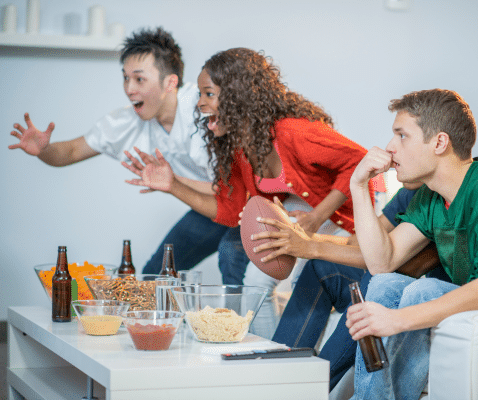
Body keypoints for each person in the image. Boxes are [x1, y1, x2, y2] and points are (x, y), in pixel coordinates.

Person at [123, 47, 375, 337]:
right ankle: (264, 353)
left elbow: (359, 161)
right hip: (297, 215)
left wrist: (317, 218)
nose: (200, 104)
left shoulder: (294, 132)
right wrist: (173, 185)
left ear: (236, 97)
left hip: (338, 214)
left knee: (299, 281)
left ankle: (287, 352)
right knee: (256, 282)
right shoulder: (239, 149)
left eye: (208, 94)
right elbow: (230, 212)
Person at [345, 88, 478, 400]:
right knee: (384, 284)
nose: (389, 147)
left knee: (424, 289)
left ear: (439, 142)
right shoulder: (432, 196)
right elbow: (381, 262)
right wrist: (358, 186)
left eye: (402, 136)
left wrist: (396, 320)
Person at [8, 27, 248, 278]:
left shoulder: (206, 107)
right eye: (125, 78)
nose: (129, 88)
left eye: (139, 79)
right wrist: (43, 150)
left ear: (170, 82)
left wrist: (174, 183)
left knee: (231, 256)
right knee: (153, 277)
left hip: (249, 202)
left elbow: (238, 188)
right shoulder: (126, 122)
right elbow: (69, 152)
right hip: (207, 207)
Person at [251, 185, 444, 391]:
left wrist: (311, 247)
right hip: (388, 274)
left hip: (412, 288)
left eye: (403, 149)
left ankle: (306, 390)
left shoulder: (446, 195)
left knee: (376, 279)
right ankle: (276, 378)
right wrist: (300, 237)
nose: (391, 152)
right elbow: (357, 242)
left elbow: (395, 266)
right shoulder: (413, 191)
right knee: (320, 268)